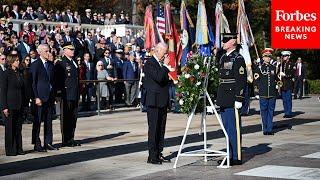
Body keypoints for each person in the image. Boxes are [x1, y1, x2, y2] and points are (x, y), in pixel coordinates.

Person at [216, 33, 247, 165]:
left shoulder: (238, 58)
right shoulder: (223, 57)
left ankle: (236, 156)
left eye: (226, 40)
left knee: (234, 128)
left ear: (233, 42)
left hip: (232, 97)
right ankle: (229, 154)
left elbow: (241, 80)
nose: (223, 42)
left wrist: (239, 98)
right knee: (226, 128)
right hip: (223, 96)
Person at [144, 42, 172, 165]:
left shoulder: (160, 64)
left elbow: (165, 80)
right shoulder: (150, 63)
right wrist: (165, 67)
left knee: (161, 129)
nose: (166, 55)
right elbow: (160, 78)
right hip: (154, 102)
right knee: (154, 129)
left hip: (162, 101)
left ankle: (159, 152)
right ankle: (152, 156)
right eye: (164, 52)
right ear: (157, 50)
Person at [31, 44, 58, 151]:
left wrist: (54, 95)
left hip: (49, 97)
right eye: (46, 51)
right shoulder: (35, 65)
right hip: (39, 98)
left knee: (48, 121)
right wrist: (36, 97)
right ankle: (37, 144)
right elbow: (33, 83)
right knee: (37, 122)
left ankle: (48, 142)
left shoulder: (50, 65)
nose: (48, 53)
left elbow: (52, 81)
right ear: (40, 52)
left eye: (49, 51)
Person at [54, 42, 81, 147]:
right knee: (66, 118)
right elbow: (58, 80)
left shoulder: (73, 62)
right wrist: (59, 93)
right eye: (70, 49)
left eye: (73, 49)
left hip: (74, 93)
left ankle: (71, 138)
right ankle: (66, 140)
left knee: (73, 117)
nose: (72, 51)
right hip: (66, 94)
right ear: (64, 50)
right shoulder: (61, 62)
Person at [0, 54, 25, 156]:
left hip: (19, 103)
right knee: (10, 128)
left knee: (18, 127)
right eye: (16, 60)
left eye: (18, 60)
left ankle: (19, 148)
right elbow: (3, 91)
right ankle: (10, 150)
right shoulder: (6, 73)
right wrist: (4, 107)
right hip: (9, 104)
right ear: (11, 62)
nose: (18, 62)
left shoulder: (19, 73)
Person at [253, 48, 278, 135]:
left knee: (271, 111)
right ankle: (265, 129)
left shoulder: (273, 68)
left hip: (272, 93)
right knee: (263, 111)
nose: (268, 58)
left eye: (269, 56)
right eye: (266, 56)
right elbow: (255, 81)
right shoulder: (259, 68)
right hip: (263, 93)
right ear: (263, 57)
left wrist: (279, 84)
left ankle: (270, 129)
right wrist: (256, 92)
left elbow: (277, 79)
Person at [279, 51, 294, 118]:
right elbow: (278, 75)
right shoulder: (281, 65)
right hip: (282, 85)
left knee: (288, 99)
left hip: (288, 84)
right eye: (283, 56)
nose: (284, 57)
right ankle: (286, 112)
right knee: (284, 100)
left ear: (288, 57)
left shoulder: (292, 64)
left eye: (285, 56)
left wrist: (285, 75)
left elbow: (292, 74)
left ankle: (289, 113)